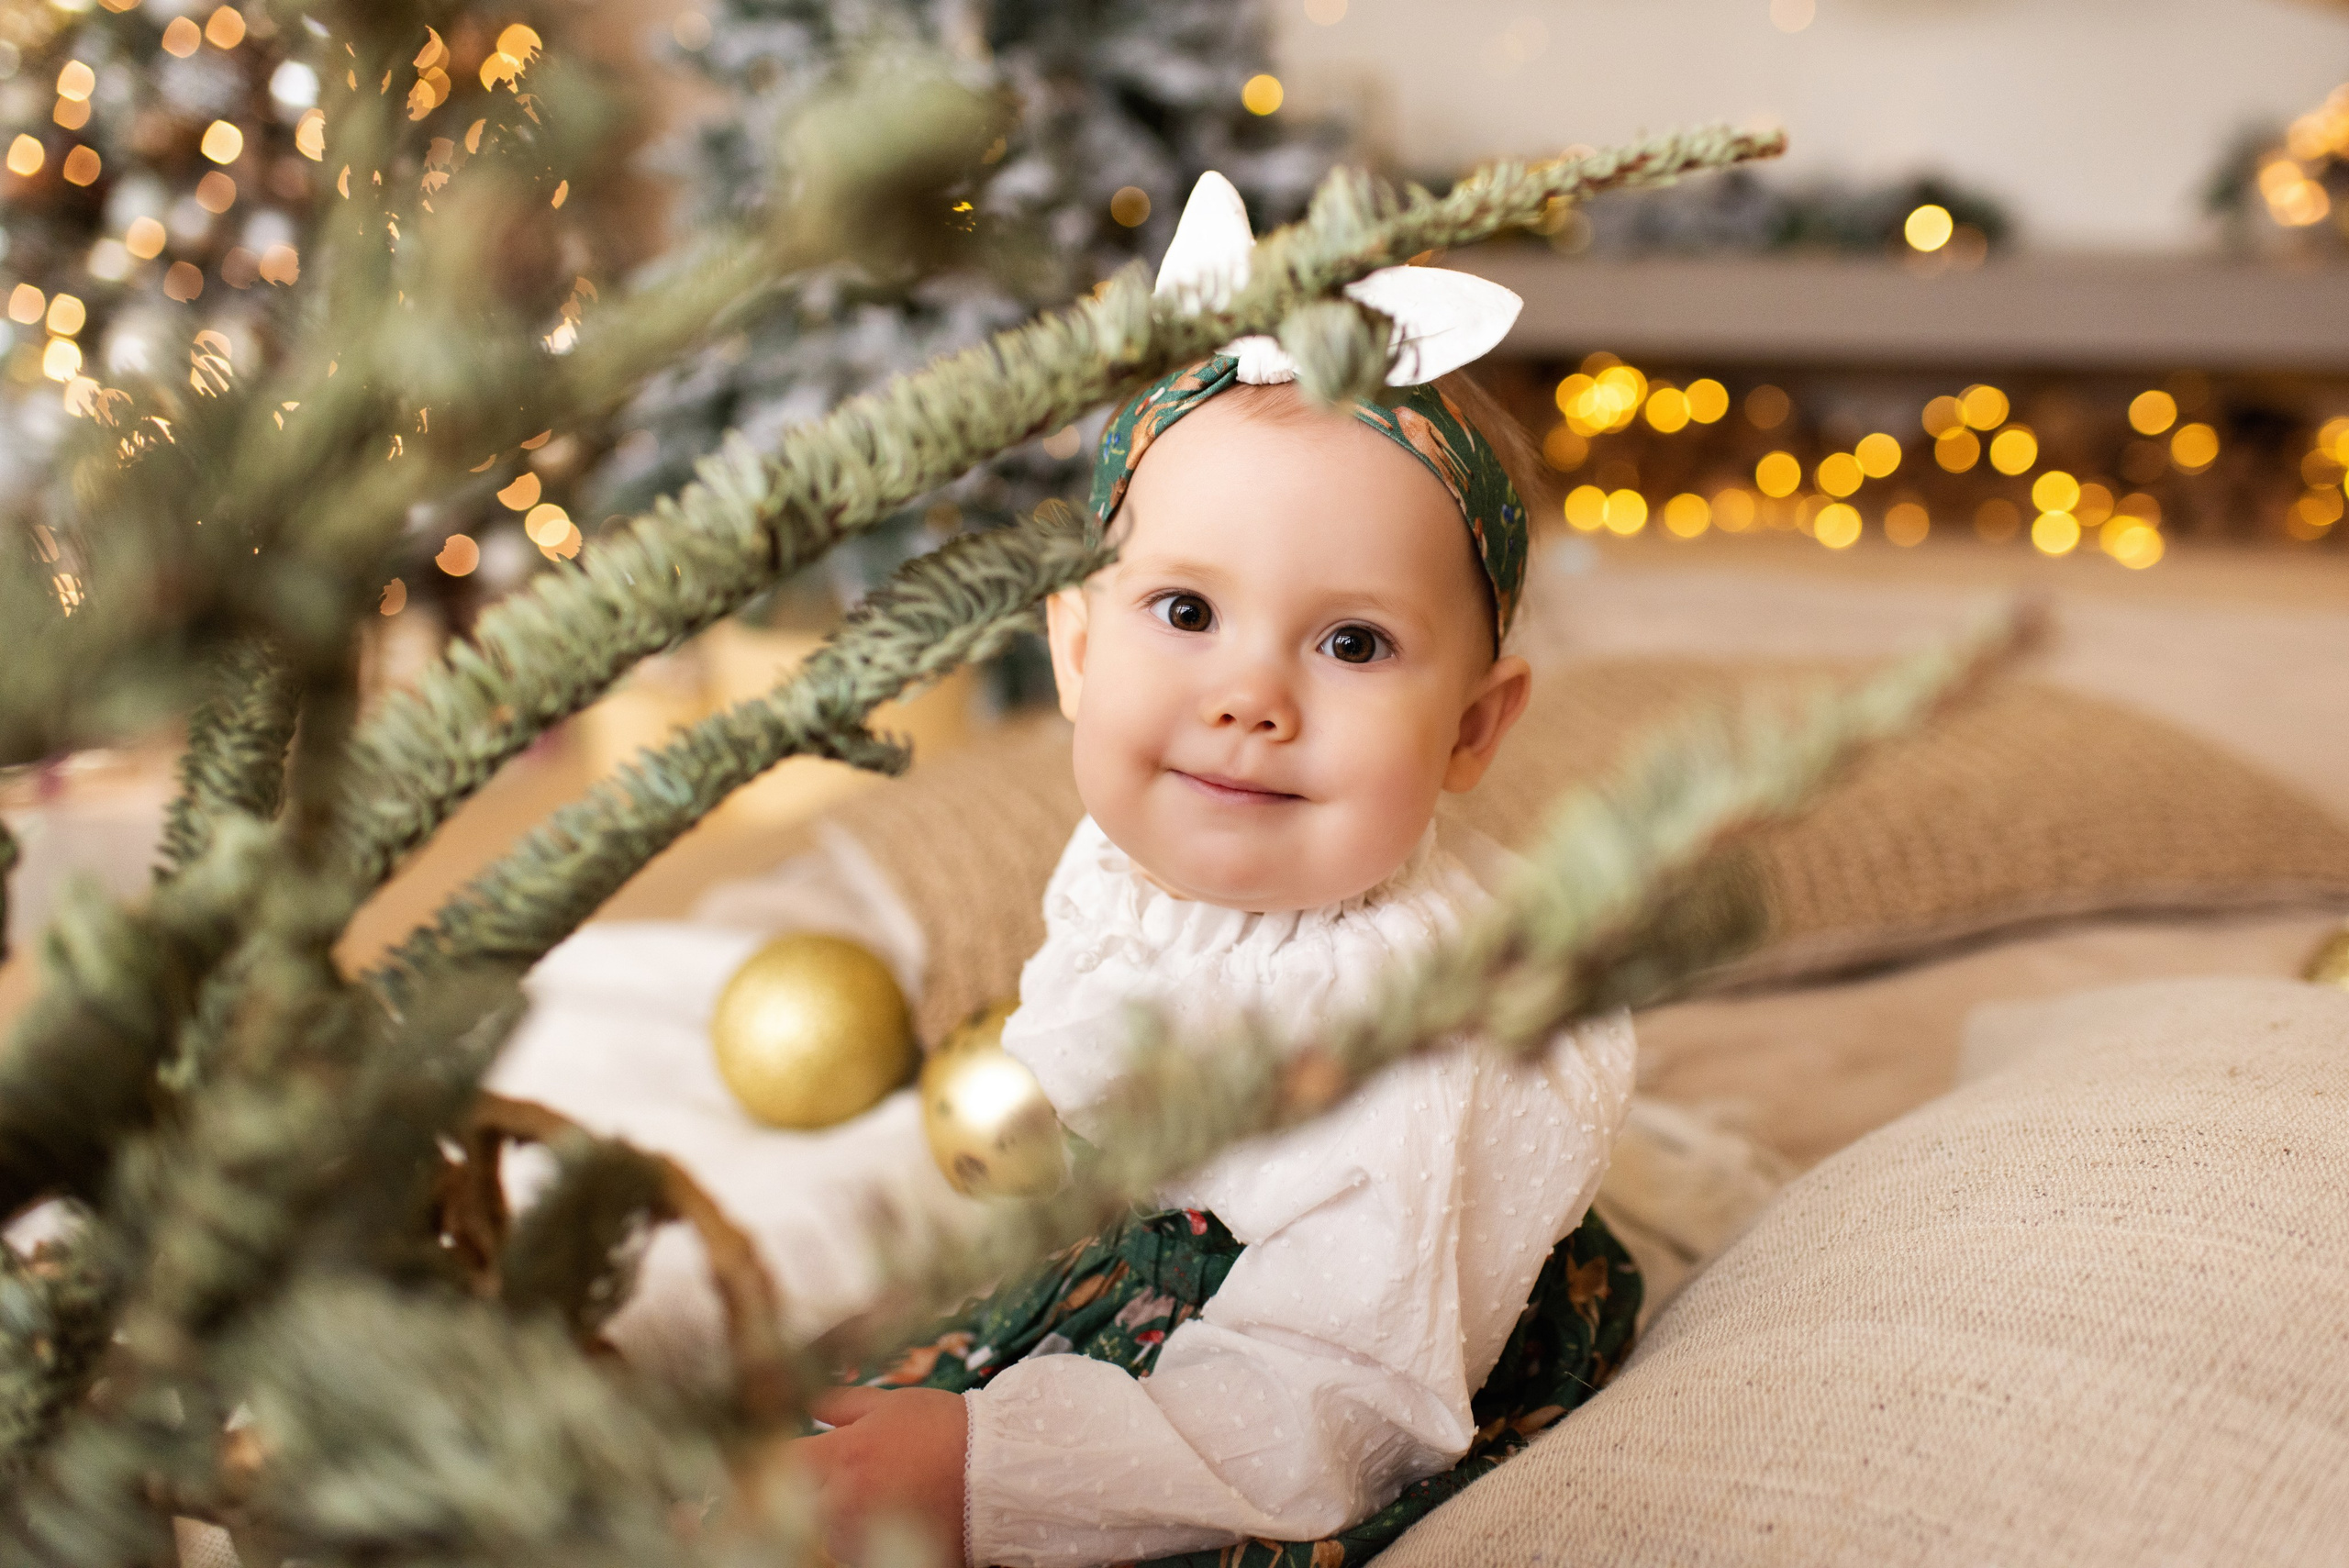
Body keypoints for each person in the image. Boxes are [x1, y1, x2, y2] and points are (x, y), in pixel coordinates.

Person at [794, 173, 1639, 1568]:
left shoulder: (1423, 1043)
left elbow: (1336, 1410)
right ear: (1074, 651)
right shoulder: (1131, 868)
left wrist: (989, 1463)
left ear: (1474, 727)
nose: (1250, 696)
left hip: (1331, 1366)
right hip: (1163, 1255)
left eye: (1352, 643)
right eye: (1185, 610)